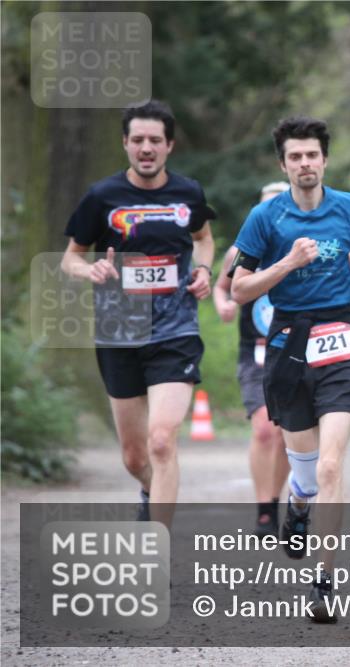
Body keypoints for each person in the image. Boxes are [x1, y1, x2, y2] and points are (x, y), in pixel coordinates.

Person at [230, 116, 350, 623]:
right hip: (289, 340)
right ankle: (297, 503)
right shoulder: (266, 218)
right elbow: (239, 289)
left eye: (312, 154)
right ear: (283, 164)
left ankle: (322, 584)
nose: (305, 163)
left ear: (325, 159)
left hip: (340, 338)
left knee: (333, 465)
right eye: (295, 156)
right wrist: (287, 264)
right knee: (308, 471)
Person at [60, 100, 216, 525]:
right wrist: (90, 268)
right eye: (138, 140)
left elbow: (203, 238)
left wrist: (203, 269)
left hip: (175, 328)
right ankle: (150, 489)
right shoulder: (102, 197)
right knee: (134, 457)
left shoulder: (188, 193)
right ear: (126, 144)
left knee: (162, 441)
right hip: (119, 330)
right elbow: (70, 257)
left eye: (155, 140)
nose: (146, 148)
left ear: (169, 146)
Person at [213, 182, 291, 537]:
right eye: (267, 208)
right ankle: (263, 510)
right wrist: (224, 304)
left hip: (294, 348)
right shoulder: (241, 252)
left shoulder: (299, 249)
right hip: (255, 350)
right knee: (264, 429)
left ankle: (275, 498)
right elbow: (220, 286)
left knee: (289, 433)